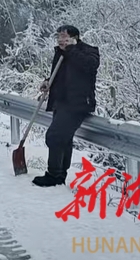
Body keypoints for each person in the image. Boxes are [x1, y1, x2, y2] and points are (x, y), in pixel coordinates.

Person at [33, 25, 99, 187]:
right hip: (61, 101)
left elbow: (90, 66)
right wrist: (48, 82)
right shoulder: (60, 53)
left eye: (65, 37)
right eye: (59, 37)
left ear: (75, 38)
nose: (61, 40)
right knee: (64, 139)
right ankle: (59, 176)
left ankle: (53, 174)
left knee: (54, 136)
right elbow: (60, 74)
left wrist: (72, 50)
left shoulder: (89, 51)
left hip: (78, 103)